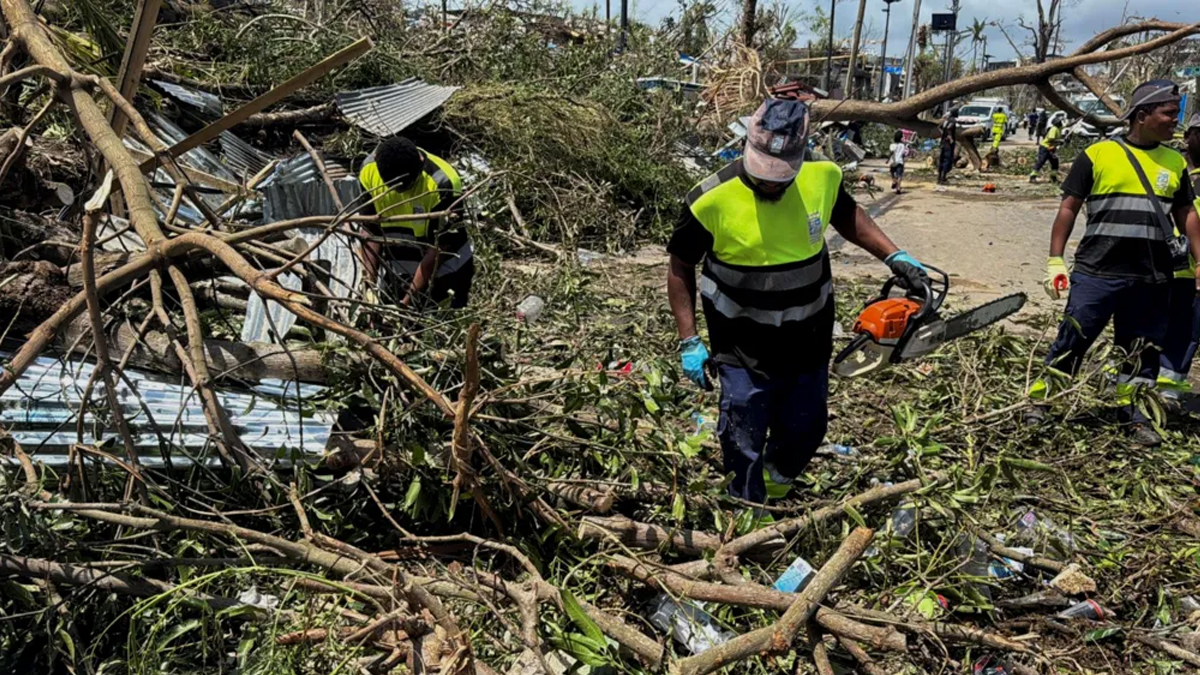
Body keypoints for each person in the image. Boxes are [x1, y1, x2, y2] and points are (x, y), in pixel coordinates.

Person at [666, 98, 929, 504]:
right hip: (740, 345)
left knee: (807, 428)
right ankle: (746, 509)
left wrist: (894, 256)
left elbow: (848, 216)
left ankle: (776, 482)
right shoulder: (710, 199)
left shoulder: (822, 177)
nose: (771, 183)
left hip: (808, 337)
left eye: (781, 176)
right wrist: (689, 340)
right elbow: (680, 266)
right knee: (742, 433)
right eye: (763, 174)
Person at [1030, 80, 1200, 446]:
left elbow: (1186, 214)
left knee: (1142, 350)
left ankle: (1134, 415)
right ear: (1142, 115)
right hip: (1097, 271)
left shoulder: (1174, 162)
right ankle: (1041, 402)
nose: (1176, 122)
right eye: (1169, 114)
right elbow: (1068, 208)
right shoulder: (1097, 155)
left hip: (1152, 277)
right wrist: (1055, 260)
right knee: (1074, 339)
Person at [358, 137, 474, 309]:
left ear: (420, 162)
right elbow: (370, 231)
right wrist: (370, 286)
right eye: (394, 187)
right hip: (399, 269)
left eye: (408, 186)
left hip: (445, 271)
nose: (402, 192)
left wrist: (406, 302)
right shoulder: (369, 172)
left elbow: (439, 249)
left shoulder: (443, 183)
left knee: (440, 325)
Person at [1158, 113, 1200, 401]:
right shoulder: (1173, 171)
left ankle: (1167, 393)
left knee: (1186, 334)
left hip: (1194, 274)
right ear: (1188, 137)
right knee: (1156, 330)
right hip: (1163, 269)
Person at [1029, 116, 1065, 183]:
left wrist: (1078, 119)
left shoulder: (1059, 128)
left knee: (1055, 163)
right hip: (1045, 148)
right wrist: (1060, 141)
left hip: (1051, 149)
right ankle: (1032, 177)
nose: (1061, 123)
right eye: (1060, 122)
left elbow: (1068, 125)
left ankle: (1053, 177)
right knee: (1041, 161)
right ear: (1057, 123)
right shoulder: (1054, 129)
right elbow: (1051, 139)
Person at [937, 108, 959, 186]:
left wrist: (943, 134)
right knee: (947, 159)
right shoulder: (952, 120)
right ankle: (943, 178)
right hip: (948, 144)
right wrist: (950, 137)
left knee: (942, 159)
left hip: (943, 142)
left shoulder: (946, 120)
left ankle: (939, 177)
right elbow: (949, 128)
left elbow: (939, 127)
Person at [888, 130, 908, 195]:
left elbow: (891, 152)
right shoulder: (902, 145)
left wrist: (888, 159)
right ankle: (898, 188)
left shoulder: (892, 145)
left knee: (892, 173)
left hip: (893, 162)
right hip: (900, 162)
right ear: (901, 137)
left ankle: (894, 181)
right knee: (899, 175)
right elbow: (903, 154)